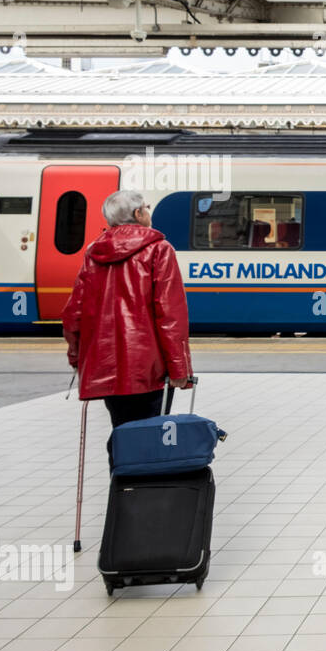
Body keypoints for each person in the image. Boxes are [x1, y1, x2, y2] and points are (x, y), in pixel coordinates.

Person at [62, 190, 193, 470]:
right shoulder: (159, 249)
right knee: (150, 433)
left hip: (106, 366)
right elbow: (170, 315)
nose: (148, 211)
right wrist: (180, 371)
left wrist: (78, 359)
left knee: (121, 430)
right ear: (138, 214)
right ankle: (145, 500)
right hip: (149, 368)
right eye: (146, 207)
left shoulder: (93, 252)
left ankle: (121, 491)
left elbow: (74, 313)